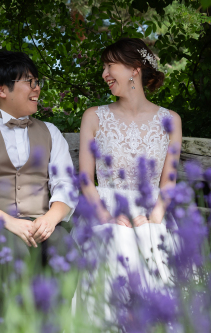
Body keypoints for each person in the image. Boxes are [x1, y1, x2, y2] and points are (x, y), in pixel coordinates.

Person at [74, 37, 182, 316]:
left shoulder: (171, 120)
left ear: (135, 68)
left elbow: (168, 181)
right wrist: (107, 217)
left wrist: (155, 217)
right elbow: (86, 179)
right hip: (106, 210)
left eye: (110, 66)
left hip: (153, 211)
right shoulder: (94, 117)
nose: (104, 74)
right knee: (118, 240)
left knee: (150, 243)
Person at [0, 50, 78, 277]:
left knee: (66, 249)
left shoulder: (51, 133)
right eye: (29, 82)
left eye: (37, 82)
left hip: (43, 225)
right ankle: (12, 314)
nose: (36, 88)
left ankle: (56, 314)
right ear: (1, 90)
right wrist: (9, 222)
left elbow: (66, 185)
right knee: (13, 252)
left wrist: (49, 219)